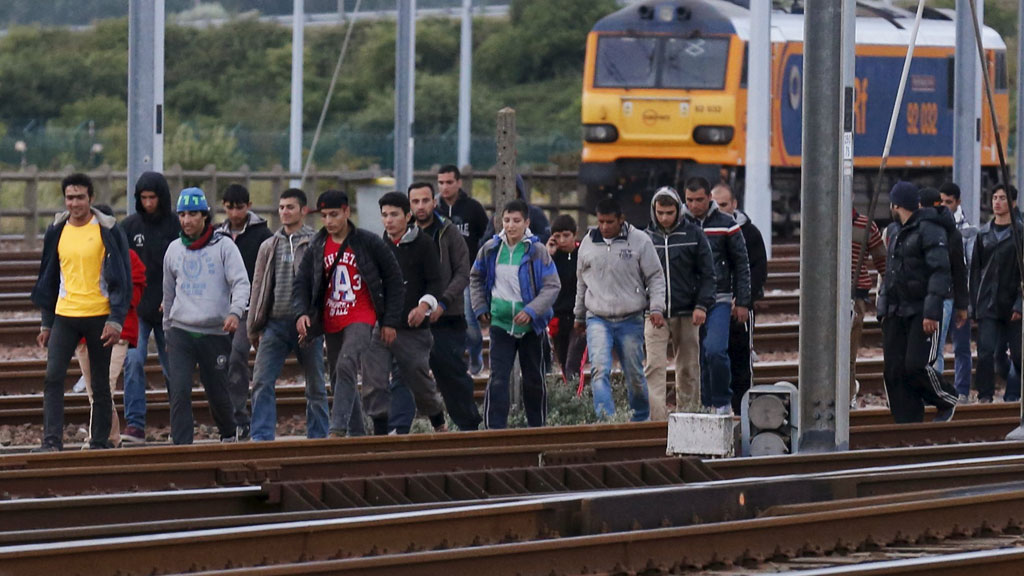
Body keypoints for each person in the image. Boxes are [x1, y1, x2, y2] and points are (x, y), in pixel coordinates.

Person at [31, 173, 132, 452]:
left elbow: (123, 278)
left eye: (80, 197)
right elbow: (48, 278)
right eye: (70, 197)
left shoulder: (108, 230)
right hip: (65, 315)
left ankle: (99, 441)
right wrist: (46, 323)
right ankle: (52, 441)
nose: (74, 203)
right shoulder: (57, 230)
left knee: (100, 384)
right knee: (53, 377)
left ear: (91, 199)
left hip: (99, 315)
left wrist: (115, 320)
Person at [292, 190, 404, 437]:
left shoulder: (368, 242)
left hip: (361, 316)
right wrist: (301, 313)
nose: (329, 221)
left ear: (346, 212)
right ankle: (357, 435)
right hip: (332, 319)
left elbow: (394, 279)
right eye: (324, 216)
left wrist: (389, 321)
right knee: (338, 376)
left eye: (334, 214)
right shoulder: (317, 245)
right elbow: (300, 283)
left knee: (346, 363)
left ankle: (337, 429)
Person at [163, 187, 250, 444]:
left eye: (193, 214)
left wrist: (235, 312)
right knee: (179, 391)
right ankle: (181, 446)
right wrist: (167, 329)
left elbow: (241, 283)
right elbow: (168, 294)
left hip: (215, 331)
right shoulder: (174, 250)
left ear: (205, 216)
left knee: (217, 392)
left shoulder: (224, 246)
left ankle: (227, 434)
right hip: (180, 331)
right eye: (182, 214)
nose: (187, 220)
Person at [357, 192, 448, 435]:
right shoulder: (377, 246)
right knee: (373, 380)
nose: (389, 220)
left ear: (407, 216)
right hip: (381, 325)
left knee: (419, 380)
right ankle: (380, 434)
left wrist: (424, 306)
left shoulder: (424, 245)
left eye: (394, 214)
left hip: (413, 329)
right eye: (385, 215)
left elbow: (435, 282)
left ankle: (438, 422)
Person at [246, 188, 329, 441]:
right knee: (261, 381)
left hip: (308, 325)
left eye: (290, 207)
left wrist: (318, 321)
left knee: (315, 384)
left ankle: (318, 436)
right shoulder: (269, 245)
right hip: (275, 323)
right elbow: (258, 287)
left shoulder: (317, 242)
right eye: (281, 207)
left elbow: (323, 284)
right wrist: (253, 327)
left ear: (303, 210)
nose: (284, 212)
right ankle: (261, 436)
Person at [471, 199, 560, 428]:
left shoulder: (536, 251)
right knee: (498, 378)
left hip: (532, 326)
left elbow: (552, 286)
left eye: (516, 221)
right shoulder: (491, 249)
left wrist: (531, 311)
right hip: (501, 324)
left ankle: (537, 427)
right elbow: (476, 277)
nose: (511, 226)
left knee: (533, 379)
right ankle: (494, 429)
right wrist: (481, 307)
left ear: (526, 223)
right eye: (507, 220)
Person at [575, 197, 665, 421]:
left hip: (630, 318)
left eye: (609, 222)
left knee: (634, 373)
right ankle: (607, 420)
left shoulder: (640, 241)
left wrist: (656, 307)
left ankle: (640, 417)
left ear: (621, 220)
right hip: (597, 317)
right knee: (599, 370)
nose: (604, 227)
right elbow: (581, 282)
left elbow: (655, 276)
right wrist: (578, 315)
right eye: (601, 222)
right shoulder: (587, 243)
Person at [877, 181, 957, 423]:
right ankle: (907, 422)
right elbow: (890, 273)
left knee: (914, 365)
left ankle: (947, 399)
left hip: (920, 309)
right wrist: (883, 309)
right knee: (893, 370)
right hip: (895, 311)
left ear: (896, 204)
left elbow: (939, 273)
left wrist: (931, 313)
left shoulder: (930, 230)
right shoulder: (893, 231)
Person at [405, 182, 483, 431]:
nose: (420, 206)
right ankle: (415, 427)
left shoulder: (448, 232)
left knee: (452, 374)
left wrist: (444, 301)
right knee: (409, 374)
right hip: (413, 319)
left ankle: (469, 427)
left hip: (448, 316)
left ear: (433, 202)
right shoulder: (406, 234)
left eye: (424, 200)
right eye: (415, 201)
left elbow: (462, 272)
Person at [73, 203, 147, 448]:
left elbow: (132, 295)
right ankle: (111, 438)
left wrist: (110, 309)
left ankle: (99, 437)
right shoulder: (78, 253)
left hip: (118, 331)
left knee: (104, 386)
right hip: (83, 333)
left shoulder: (128, 257)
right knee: (96, 391)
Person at [644, 186, 716, 419]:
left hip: (688, 312)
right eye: (660, 212)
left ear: (678, 211)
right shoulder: (646, 238)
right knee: (654, 367)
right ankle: (656, 420)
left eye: (669, 212)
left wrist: (701, 305)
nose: (664, 218)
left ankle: (689, 415)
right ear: (654, 211)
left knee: (687, 369)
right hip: (655, 313)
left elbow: (708, 274)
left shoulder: (694, 235)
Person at [682, 177, 751, 415]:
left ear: (709, 198)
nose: (694, 205)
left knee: (714, 350)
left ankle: (721, 402)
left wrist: (743, 301)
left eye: (699, 199)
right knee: (697, 357)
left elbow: (742, 264)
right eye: (689, 200)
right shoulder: (680, 224)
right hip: (688, 301)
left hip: (720, 297)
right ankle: (705, 403)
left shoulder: (726, 224)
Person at [120, 171, 179, 444]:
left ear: (162, 197)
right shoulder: (129, 227)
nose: (148, 203)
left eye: (152, 197)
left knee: (174, 368)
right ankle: (135, 425)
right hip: (137, 310)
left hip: (172, 309)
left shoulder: (177, 226)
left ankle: (179, 423)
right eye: (143, 198)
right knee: (132, 363)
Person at [218, 183, 273, 440]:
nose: (235, 214)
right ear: (223, 207)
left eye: (239, 208)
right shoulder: (218, 235)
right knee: (221, 362)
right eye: (230, 208)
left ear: (249, 207)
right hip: (221, 307)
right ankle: (231, 415)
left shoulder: (263, 235)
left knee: (237, 356)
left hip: (250, 308)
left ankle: (240, 417)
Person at [711, 183, 766, 414]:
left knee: (741, 359)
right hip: (712, 307)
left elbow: (757, 269)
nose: (719, 209)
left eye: (723, 204)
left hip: (739, 308)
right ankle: (715, 408)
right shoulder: (706, 230)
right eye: (715, 205)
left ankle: (742, 411)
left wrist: (744, 298)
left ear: (734, 204)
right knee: (712, 356)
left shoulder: (749, 233)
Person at [970, 184, 1023, 404]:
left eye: (1002, 198)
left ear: (1013, 203)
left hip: (1012, 304)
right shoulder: (983, 234)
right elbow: (975, 272)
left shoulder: (1020, 233)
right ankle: (985, 396)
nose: (997, 202)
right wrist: (973, 304)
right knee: (986, 353)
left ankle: (1013, 394)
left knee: (1018, 355)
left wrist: (1020, 304)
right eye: (994, 198)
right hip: (988, 303)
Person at [437, 164, 489, 375]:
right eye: (441, 183)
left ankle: (475, 355)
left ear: (458, 182)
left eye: (449, 182)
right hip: (441, 277)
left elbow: (486, 238)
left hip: (467, 275)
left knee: (471, 327)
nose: (445, 187)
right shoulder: (434, 210)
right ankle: (454, 364)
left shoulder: (473, 208)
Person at [919, 187, 970, 378]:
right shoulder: (951, 231)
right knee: (935, 351)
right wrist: (962, 305)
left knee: (932, 351)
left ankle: (933, 395)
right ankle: (934, 394)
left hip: (939, 297)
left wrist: (962, 304)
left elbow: (958, 269)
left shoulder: (931, 231)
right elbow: (960, 269)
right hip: (944, 297)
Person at [939, 182, 977, 402]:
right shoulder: (936, 227)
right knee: (937, 349)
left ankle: (962, 391)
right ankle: (939, 390)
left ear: (958, 202)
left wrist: (967, 300)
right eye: (942, 201)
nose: (944, 206)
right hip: (942, 296)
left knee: (961, 346)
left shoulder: (968, 230)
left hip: (959, 298)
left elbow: (970, 268)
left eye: (949, 202)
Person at [849, 208, 887, 407]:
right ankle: (846, 396)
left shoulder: (866, 225)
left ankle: (846, 396)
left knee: (848, 352)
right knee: (847, 352)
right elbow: (882, 258)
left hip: (855, 296)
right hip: (851, 297)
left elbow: (882, 259)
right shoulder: (865, 225)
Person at [546, 214, 587, 383]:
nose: (562, 240)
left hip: (579, 317)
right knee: (563, 363)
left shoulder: (583, 254)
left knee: (573, 364)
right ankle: (570, 400)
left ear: (575, 234)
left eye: (566, 235)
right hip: (558, 317)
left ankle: (575, 400)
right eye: (557, 236)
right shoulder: (551, 258)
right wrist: (548, 255)